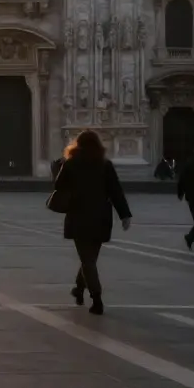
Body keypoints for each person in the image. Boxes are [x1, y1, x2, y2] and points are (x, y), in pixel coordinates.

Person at [53, 130, 131, 315]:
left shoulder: (71, 164)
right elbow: (116, 191)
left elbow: (58, 186)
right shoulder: (105, 165)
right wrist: (125, 215)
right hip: (101, 217)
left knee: (87, 260)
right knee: (89, 259)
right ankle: (79, 289)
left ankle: (96, 298)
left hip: (79, 216)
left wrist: (57, 170)